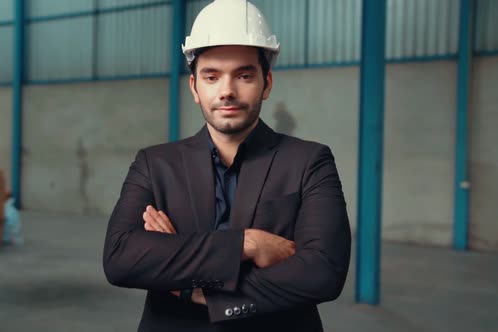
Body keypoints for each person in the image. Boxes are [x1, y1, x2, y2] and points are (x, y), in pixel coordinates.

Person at [102, 0, 351, 331]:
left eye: (244, 75)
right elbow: (121, 258)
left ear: (267, 83)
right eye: (211, 76)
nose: (227, 91)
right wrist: (246, 245)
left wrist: (193, 281)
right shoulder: (155, 164)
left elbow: (322, 271)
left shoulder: (310, 162)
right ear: (194, 87)